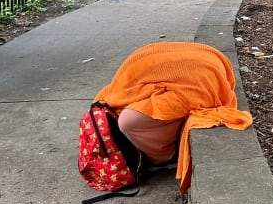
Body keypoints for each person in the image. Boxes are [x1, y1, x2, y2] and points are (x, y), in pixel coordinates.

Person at [91, 41, 253, 192]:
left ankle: (163, 157)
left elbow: (129, 119)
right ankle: (163, 147)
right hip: (212, 60)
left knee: (128, 122)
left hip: (204, 78)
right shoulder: (118, 88)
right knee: (133, 119)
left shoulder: (119, 95)